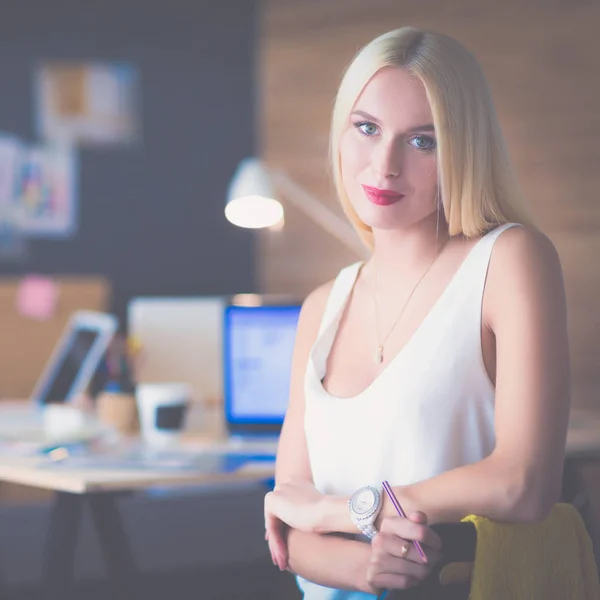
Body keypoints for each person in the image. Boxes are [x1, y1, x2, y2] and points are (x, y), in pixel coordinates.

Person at [264, 26, 571, 599]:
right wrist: (366, 567)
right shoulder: (320, 310)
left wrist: (352, 510)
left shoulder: (509, 260)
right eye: (367, 128)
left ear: (463, 148)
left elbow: (526, 483)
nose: (384, 165)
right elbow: (288, 525)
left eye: (422, 141)